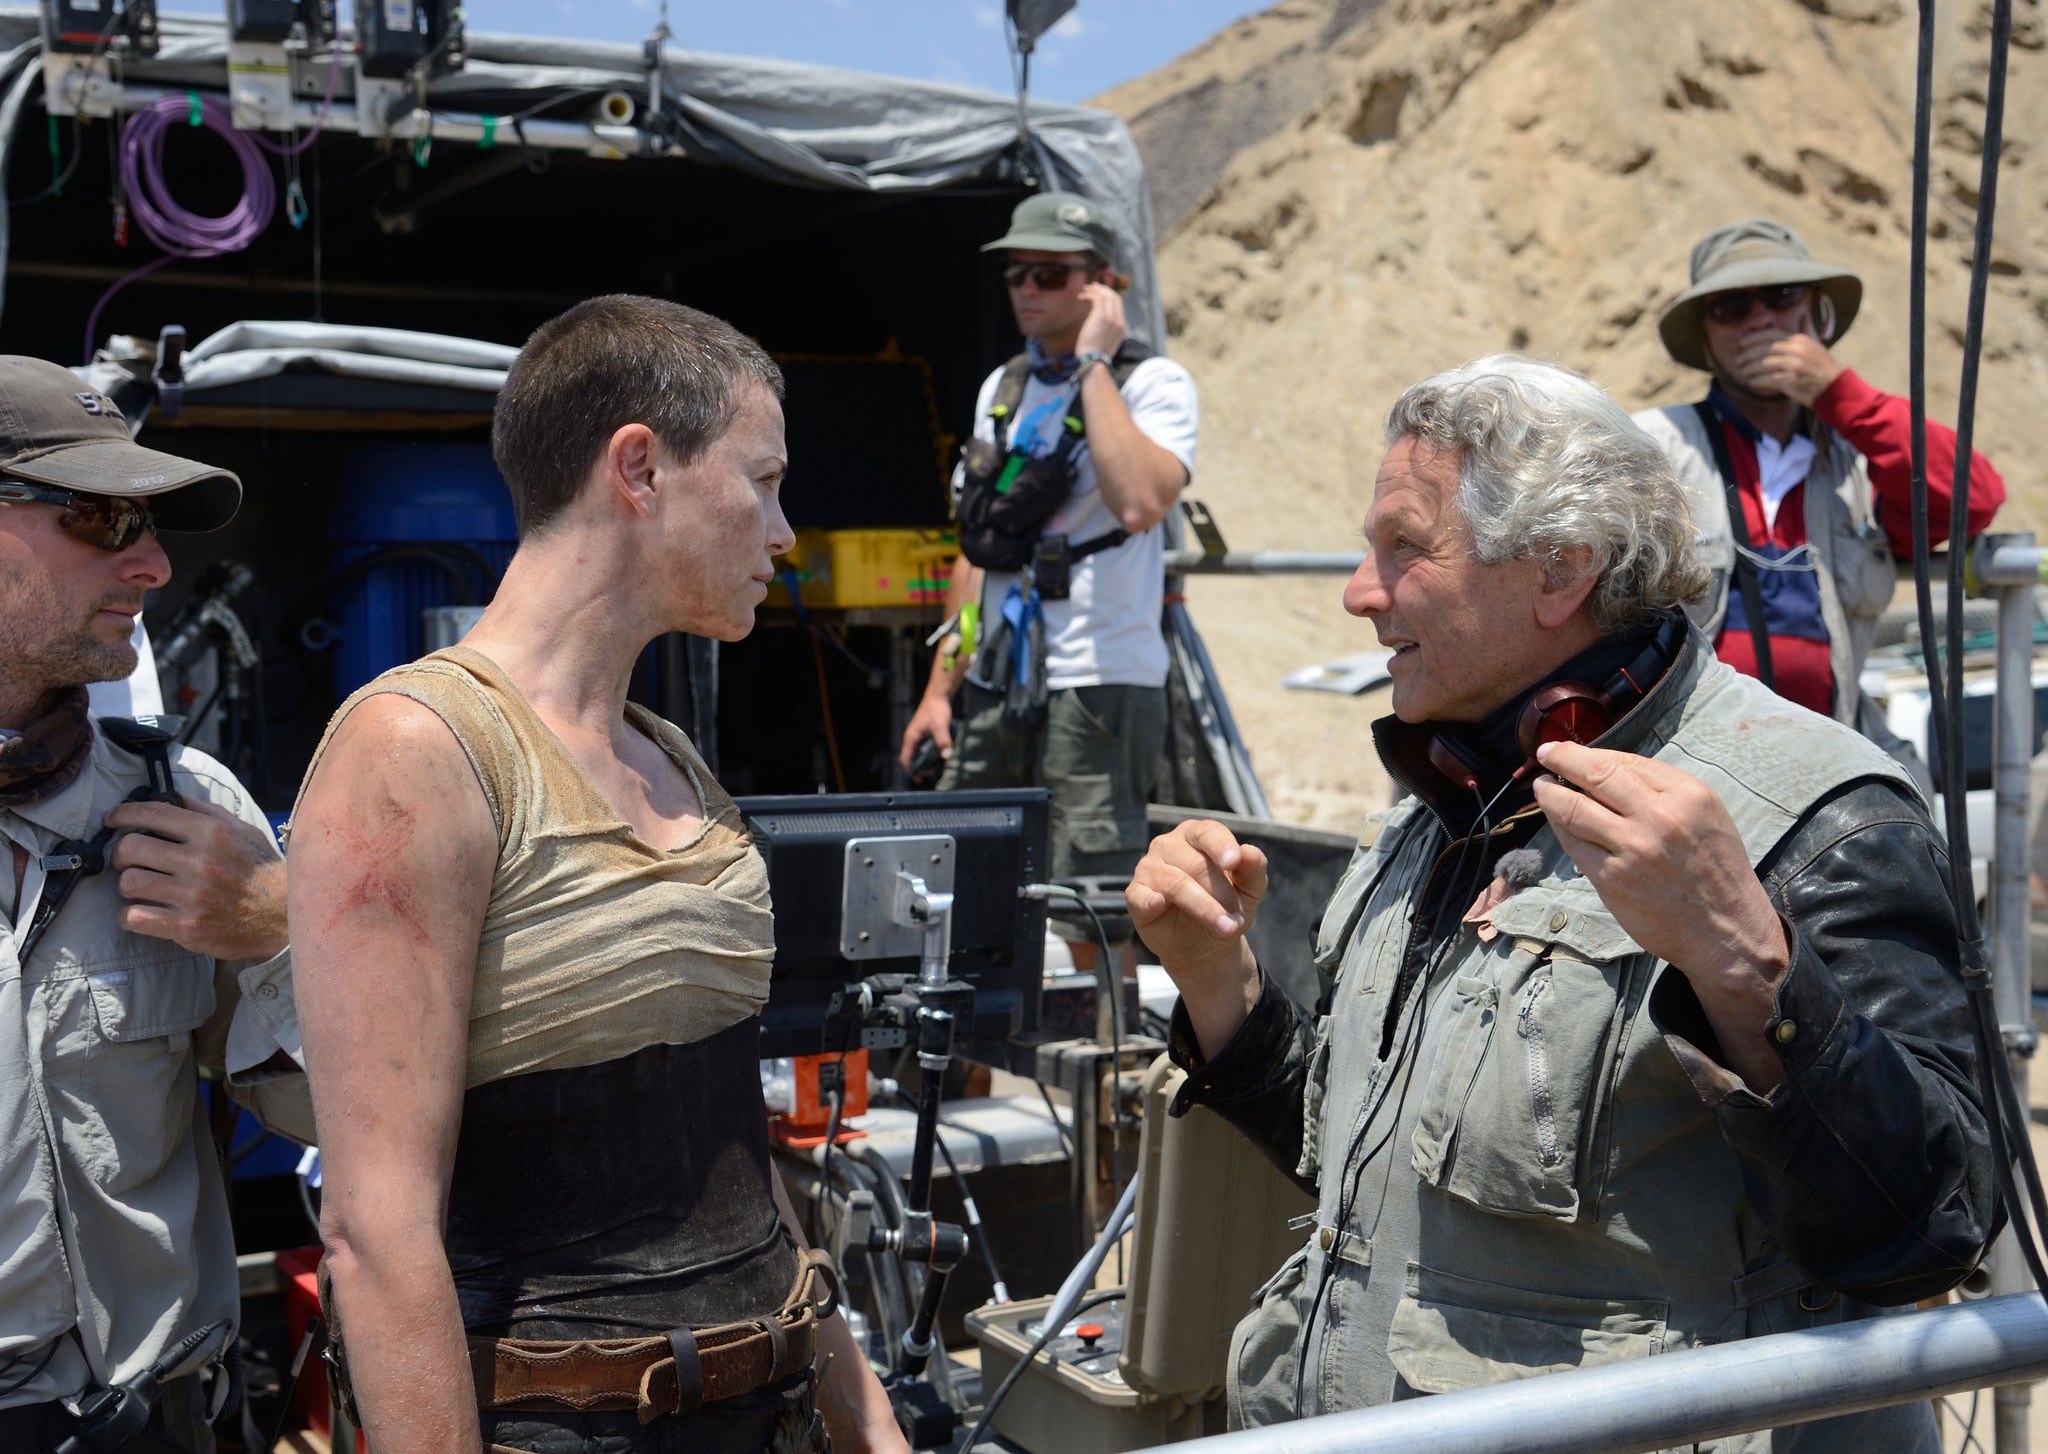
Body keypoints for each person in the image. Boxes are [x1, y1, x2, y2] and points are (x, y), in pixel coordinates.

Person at [1131, 356, 1995, 1450]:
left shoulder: (1817, 815)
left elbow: (1925, 1229)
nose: (1358, 588)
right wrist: (1221, 988)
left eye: (1405, 546)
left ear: (1560, 571)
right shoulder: (1451, 791)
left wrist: (1745, 968)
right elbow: (1375, 1174)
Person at [287, 296, 908, 1454]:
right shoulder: (419, 751)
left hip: (762, 1407)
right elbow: (376, 1237)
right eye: (761, 480)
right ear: (639, 468)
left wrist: (867, 1426)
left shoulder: (665, 757)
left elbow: (734, 1157)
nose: (783, 531)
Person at [0, 356, 306, 1453]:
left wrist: (287, 928)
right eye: (100, 517)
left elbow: (344, 1128)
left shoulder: (188, 803)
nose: (154, 564)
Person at [898, 192, 1197, 910]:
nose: (1026, 289)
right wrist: (941, 689)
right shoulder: (1003, 386)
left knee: (1088, 900)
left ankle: (1103, 1024)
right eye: (1015, 274)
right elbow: (982, 545)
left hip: (1100, 678)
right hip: (997, 679)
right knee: (961, 881)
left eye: (1049, 274)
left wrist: (1093, 362)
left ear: (1102, 287)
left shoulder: (1153, 383)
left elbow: (1138, 502)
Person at [1634, 218, 2004, 727]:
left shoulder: (1863, 461)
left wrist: (1838, 393)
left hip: (1834, 747)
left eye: (1782, 297)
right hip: (1687, 753)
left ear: (1817, 314)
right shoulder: (1654, 447)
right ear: (1706, 335)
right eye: (1733, 307)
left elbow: (1970, 499)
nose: (1762, 320)